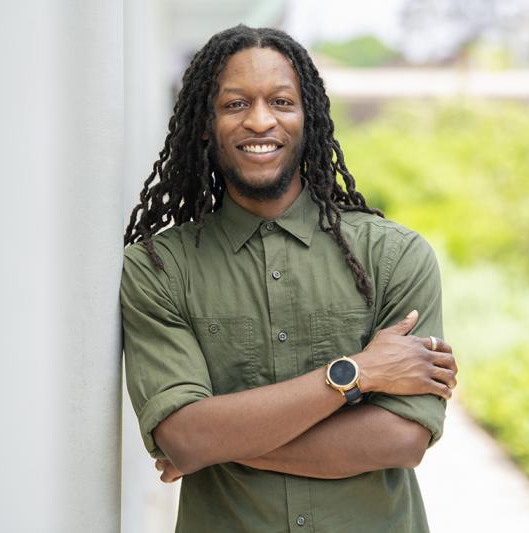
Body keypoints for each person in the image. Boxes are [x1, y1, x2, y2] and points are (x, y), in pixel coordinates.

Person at [120, 24, 457, 533]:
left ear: (308, 119)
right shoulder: (159, 270)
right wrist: (355, 372)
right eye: (235, 105)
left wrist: (220, 441)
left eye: (281, 102)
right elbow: (185, 438)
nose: (260, 121)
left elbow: (401, 439)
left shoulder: (393, 256)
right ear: (206, 124)